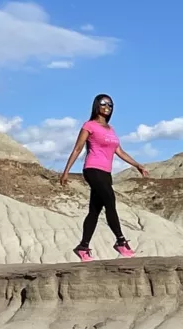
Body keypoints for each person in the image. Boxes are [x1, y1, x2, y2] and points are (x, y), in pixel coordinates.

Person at [59, 93, 150, 261]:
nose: (107, 107)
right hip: (92, 169)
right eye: (104, 104)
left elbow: (119, 151)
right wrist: (66, 172)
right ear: (96, 105)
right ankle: (120, 241)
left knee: (95, 210)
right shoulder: (89, 125)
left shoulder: (111, 129)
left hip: (106, 173)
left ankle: (83, 247)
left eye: (110, 105)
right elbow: (77, 149)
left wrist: (137, 165)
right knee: (110, 200)